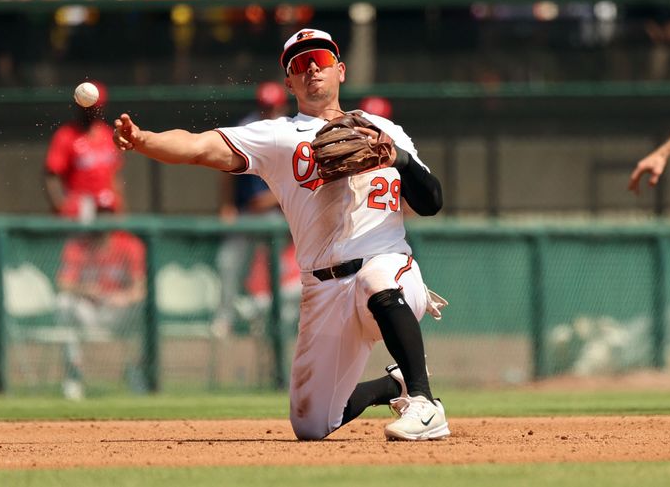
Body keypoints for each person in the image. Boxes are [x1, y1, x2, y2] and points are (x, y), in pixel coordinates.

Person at [113, 28, 449, 441]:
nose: (311, 69)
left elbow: (431, 201)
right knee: (311, 425)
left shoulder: (383, 129)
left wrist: (397, 157)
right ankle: (391, 386)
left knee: (374, 278)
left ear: (340, 71)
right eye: (299, 64)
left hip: (391, 272)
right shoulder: (277, 135)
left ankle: (424, 402)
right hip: (323, 288)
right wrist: (144, 140)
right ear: (288, 82)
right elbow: (198, 147)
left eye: (320, 61)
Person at [215, 81, 290, 337]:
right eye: (265, 107)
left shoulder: (290, 129)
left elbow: (297, 177)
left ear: (282, 105)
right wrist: (226, 206)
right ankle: (224, 319)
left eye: (273, 107)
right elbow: (227, 171)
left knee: (277, 272)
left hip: (276, 214)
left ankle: (271, 322)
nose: (268, 111)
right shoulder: (245, 128)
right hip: (246, 211)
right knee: (228, 264)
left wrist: (274, 199)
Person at [55, 210, 147, 399]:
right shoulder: (78, 245)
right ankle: (74, 374)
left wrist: (124, 297)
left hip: (117, 312)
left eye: (108, 214)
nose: (104, 221)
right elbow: (62, 283)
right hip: (87, 310)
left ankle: (136, 371)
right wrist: (84, 289)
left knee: (142, 306)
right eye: (100, 214)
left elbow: (141, 289)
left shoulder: (129, 245)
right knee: (63, 302)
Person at [44, 81, 126, 221]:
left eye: (94, 107)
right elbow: (51, 176)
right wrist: (61, 206)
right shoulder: (66, 135)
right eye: (87, 106)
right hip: (80, 208)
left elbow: (115, 176)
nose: (91, 111)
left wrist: (121, 211)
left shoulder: (109, 135)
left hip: (107, 207)